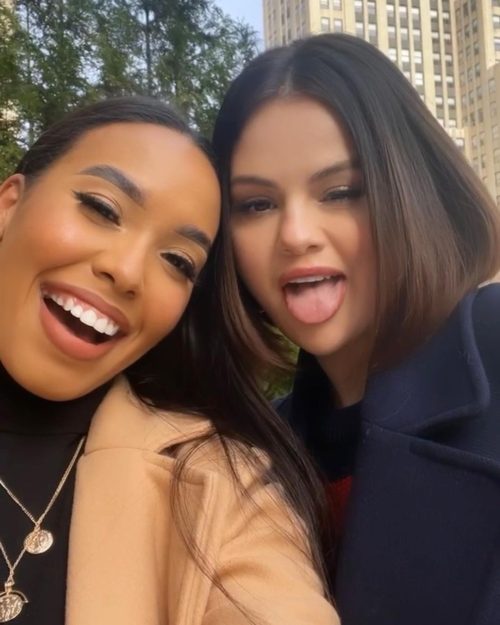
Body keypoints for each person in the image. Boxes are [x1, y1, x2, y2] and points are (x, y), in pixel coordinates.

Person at [0, 96, 339, 625]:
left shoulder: (221, 486)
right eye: (103, 209)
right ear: (9, 203)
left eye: (178, 261)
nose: (128, 272)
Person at [213, 33, 500, 625]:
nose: (296, 235)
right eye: (256, 205)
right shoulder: (245, 455)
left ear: (411, 193)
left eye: (340, 192)